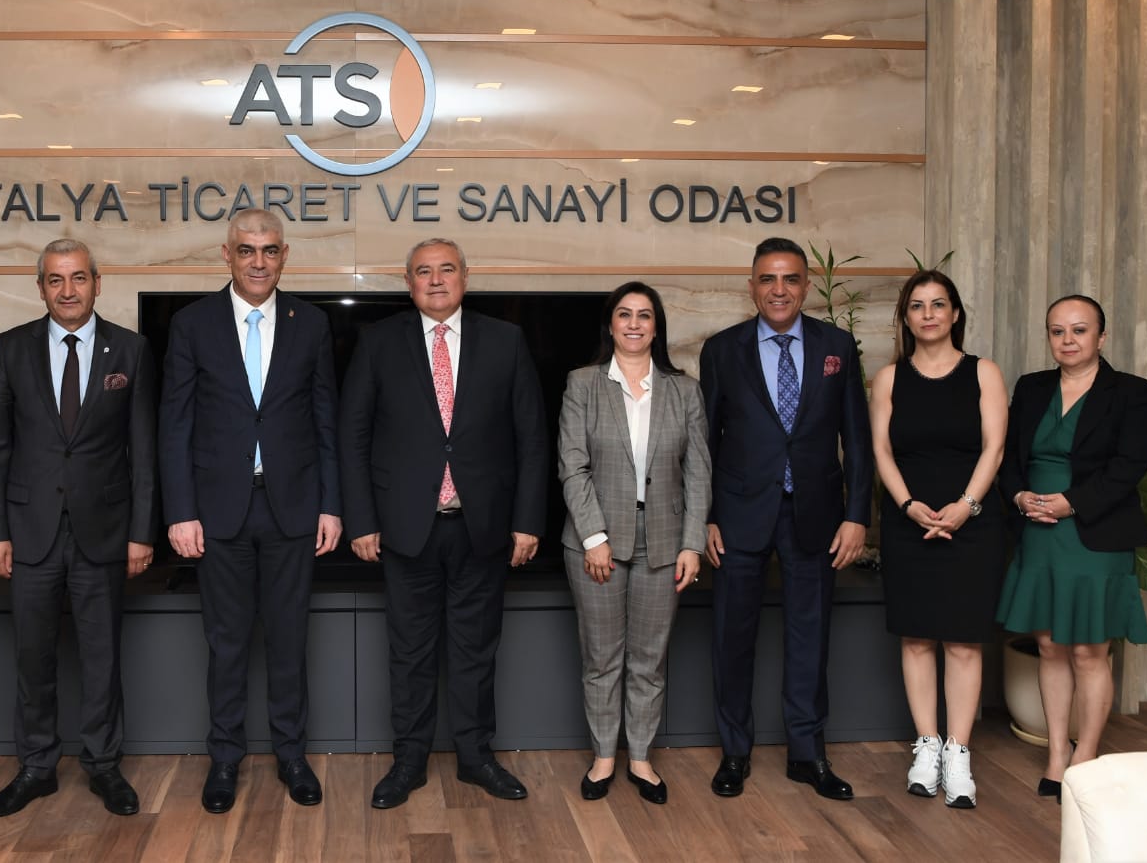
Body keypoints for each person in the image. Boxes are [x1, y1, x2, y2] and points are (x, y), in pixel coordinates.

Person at [340, 237, 548, 809]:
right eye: (424, 271)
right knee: (409, 652)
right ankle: (408, 761)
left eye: (446, 269)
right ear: (408, 282)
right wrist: (361, 520)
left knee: (475, 650)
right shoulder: (378, 342)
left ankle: (476, 757)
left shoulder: (505, 340)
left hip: (483, 526)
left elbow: (532, 438)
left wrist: (528, 520)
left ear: (465, 277)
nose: (436, 280)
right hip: (405, 527)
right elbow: (353, 436)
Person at [158, 209, 341, 813]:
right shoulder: (192, 324)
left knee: (289, 641)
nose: (258, 261)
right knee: (227, 643)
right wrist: (180, 511)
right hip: (218, 513)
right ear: (226, 254)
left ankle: (292, 755)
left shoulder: (311, 323)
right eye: (246, 250)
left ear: (284, 255)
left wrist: (331, 505)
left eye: (269, 250)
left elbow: (326, 420)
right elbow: (175, 424)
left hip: (293, 509)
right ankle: (225, 759)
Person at [0, 238, 158, 818]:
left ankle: (104, 766)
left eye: (78, 278)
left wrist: (142, 531)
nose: (68, 290)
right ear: (41, 288)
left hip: (104, 531)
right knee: (33, 658)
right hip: (28, 533)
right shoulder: (12, 348)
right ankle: (36, 767)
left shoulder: (130, 350)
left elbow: (143, 450)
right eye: (55, 280)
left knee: (102, 657)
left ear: (97, 283)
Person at [699, 236, 873, 801]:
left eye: (791, 279)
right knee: (732, 637)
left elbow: (858, 439)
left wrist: (857, 516)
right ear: (751, 287)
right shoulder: (721, 350)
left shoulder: (837, 346)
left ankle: (807, 754)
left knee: (809, 637)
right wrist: (705, 517)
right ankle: (735, 752)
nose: (779, 290)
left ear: (805, 285)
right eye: (768, 279)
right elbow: (705, 442)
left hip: (816, 515)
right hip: (738, 515)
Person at [996, 294, 1147, 802]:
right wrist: (1020, 496)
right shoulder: (1032, 387)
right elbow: (1009, 457)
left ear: (1101, 337)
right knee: (1048, 645)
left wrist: (1072, 503)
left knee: (1089, 649)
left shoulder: (1131, 392)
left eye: (1079, 330)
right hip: (1038, 530)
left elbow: (1130, 465)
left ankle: (1085, 757)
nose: (1067, 340)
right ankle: (1055, 755)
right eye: (1057, 331)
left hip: (1095, 532)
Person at [557, 281, 710, 804]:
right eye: (624, 314)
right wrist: (594, 535)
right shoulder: (583, 383)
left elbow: (698, 474)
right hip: (595, 544)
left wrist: (692, 544)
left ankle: (640, 758)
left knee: (649, 658)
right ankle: (604, 757)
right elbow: (572, 465)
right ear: (611, 324)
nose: (634, 324)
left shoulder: (684, 390)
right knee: (602, 658)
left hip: (665, 544)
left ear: (656, 327)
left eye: (645, 315)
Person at [869, 270, 1007, 809]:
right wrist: (908, 506)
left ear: (955, 314)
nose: (928, 314)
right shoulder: (888, 379)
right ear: (905, 318)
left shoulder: (983, 373)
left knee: (964, 641)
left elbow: (994, 448)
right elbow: (882, 451)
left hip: (972, 522)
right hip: (910, 522)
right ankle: (926, 747)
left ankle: (958, 752)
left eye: (938, 304)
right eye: (917, 306)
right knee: (917, 638)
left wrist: (965, 507)